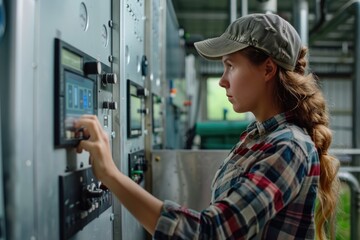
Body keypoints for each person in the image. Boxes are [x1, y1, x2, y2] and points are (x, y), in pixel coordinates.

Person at [75, 13, 339, 239]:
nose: (222, 81)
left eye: (230, 66)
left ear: (268, 69)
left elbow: (211, 233)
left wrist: (110, 174)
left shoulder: (288, 147)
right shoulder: (257, 136)